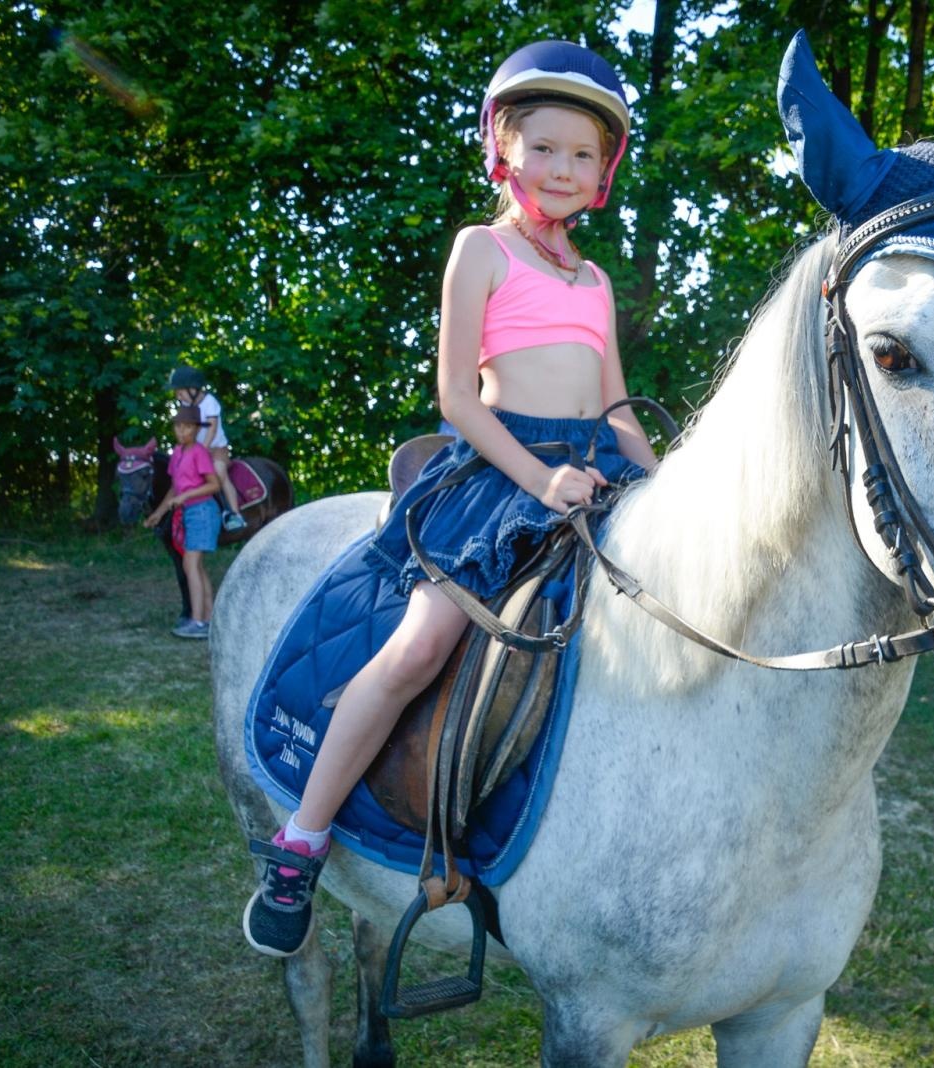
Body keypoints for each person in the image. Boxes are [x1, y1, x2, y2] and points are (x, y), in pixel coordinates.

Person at [242, 39, 660, 958]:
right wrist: (539, 478)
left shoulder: (592, 279)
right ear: (503, 150)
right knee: (421, 643)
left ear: (604, 171)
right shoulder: (483, 250)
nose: (561, 167)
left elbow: (618, 398)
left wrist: (656, 475)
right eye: (543, 147)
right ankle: (301, 839)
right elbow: (458, 399)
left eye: (582, 154)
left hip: (596, 468)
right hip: (505, 471)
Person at [144, 405, 222, 640]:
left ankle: (197, 621)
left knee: (190, 565)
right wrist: (158, 513)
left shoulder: (199, 452)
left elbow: (214, 484)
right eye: (178, 426)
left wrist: (186, 496)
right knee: (196, 567)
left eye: (187, 426)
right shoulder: (177, 453)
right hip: (188, 513)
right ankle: (207, 618)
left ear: (196, 429)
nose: (182, 431)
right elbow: (174, 487)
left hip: (202, 511)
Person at [168, 365, 247, 532]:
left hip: (216, 449)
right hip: (196, 451)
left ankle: (234, 513)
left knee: (219, 472)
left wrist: (201, 450)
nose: (177, 395)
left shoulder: (210, 403)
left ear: (192, 389)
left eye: (180, 391)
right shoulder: (185, 403)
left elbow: (211, 429)